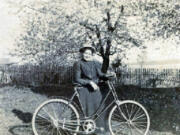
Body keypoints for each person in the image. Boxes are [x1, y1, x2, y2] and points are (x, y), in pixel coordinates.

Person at [73, 43, 115, 135]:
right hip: (83, 89)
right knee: (85, 111)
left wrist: (108, 75)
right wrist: (90, 82)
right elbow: (77, 79)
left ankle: (98, 131)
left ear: (92, 54)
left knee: (100, 109)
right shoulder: (78, 63)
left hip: (95, 90)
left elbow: (100, 75)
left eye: (89, 53)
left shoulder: (96, 63)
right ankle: (83, 131)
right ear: (82, 53)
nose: (87, 55)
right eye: (85, 53)